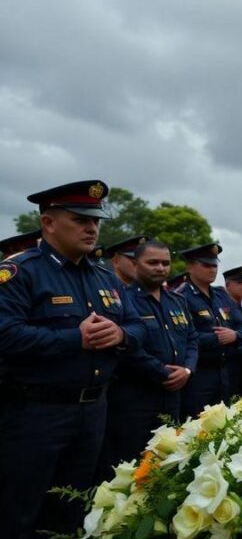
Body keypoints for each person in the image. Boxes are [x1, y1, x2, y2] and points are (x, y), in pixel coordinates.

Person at [0, 180, 144, 537]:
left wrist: (122, 335)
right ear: (48, 223)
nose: (92, 228)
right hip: (35, 415)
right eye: (80, 219)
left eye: (95, 220)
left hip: (94, 411)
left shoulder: (102, 275)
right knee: (20, 511)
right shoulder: (20, 272)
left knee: (74, 508)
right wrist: (74, 338)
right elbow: (6, 334)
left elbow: (138, 326)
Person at [99, 240, 197, 476]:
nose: (160, 268)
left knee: (168, 462)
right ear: (135, 263)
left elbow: (192, 340)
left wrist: (187, 371)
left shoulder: (177, 301)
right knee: (132, 466)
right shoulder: (121, 300)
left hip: (174, 396)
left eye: (165, 263)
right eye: (152, 262)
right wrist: (161, 371)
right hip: (135, 399)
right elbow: (126, 347)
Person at [177, 243, 242, 417]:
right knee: (197, 426)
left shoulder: (221, 294)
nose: (212, 269)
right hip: (199, 374)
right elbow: (182, 337)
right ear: (190, 266)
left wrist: (235, 335)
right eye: (206, 265)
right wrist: (215, 339)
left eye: (214, 265)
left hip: (225, 371)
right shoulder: (181, 297)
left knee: (224, 425)